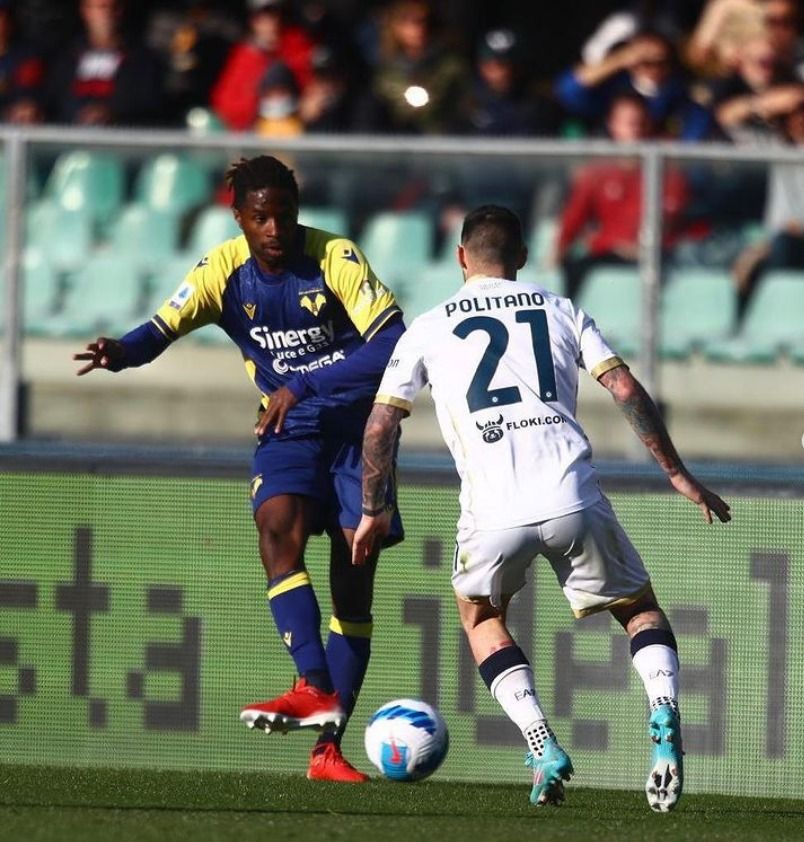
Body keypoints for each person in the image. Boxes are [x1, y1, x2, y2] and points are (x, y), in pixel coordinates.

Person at [352, 205, 731, 811]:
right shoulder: (559, 308)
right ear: (523, 257)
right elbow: (627, 390)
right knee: (637, 608)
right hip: (572, 496)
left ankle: (541, 745)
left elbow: (379, 427)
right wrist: (678, 474)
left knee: (479, 617)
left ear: (460, 259)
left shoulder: (426, 327)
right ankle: (662, 715)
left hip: (492, 510)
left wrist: (374, 508)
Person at [73, 154, 405, 783]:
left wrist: (302, 384)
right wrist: (121, 351)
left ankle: (326, 752)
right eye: (261, 218)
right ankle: (311, 682)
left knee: (353, 590)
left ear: (298, 215)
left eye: (284, 215)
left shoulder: (337, 257)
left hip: (363, 434)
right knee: (275, 528)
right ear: (239, 219)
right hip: (288, 429)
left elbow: (393, 343)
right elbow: (160, 328)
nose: (274, 229)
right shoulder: (222, 270)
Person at [554, 92, 692, 299]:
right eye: (629, 123)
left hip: (659, 254)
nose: (635, 129)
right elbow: (574, 216)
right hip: (607, 253)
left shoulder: (667, 169)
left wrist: (641, 244)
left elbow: (671, 214)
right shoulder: (598, 170)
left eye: (641, 122)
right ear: (613, 125)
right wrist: (558, 252)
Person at [44, 0, 165, 126]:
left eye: (113, 7)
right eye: (101, 7)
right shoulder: (66, 57)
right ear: (85, 11)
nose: (107, 13)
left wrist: (113, 113)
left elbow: (150, 104)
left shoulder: (142, 59)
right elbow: (52, 99)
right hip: (68, 137)